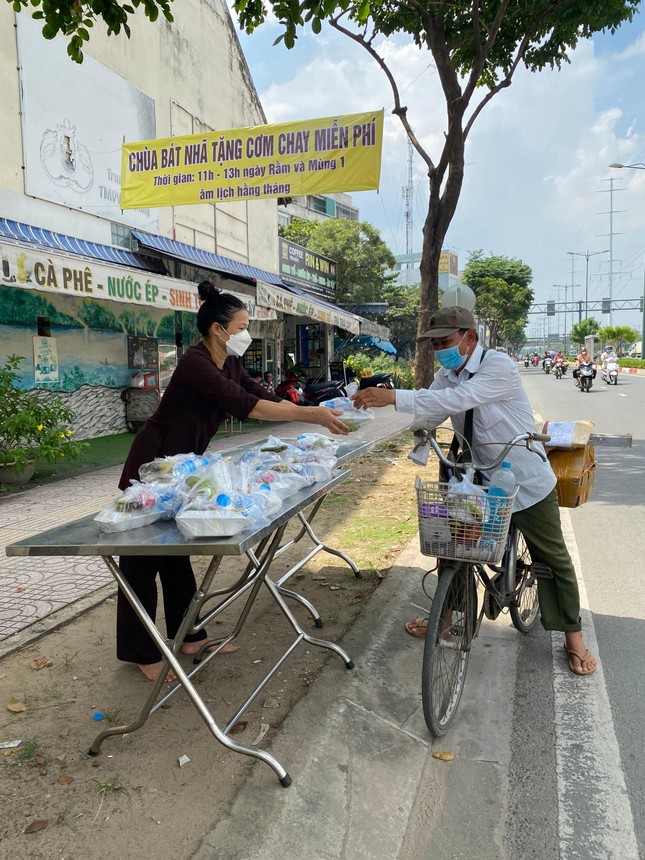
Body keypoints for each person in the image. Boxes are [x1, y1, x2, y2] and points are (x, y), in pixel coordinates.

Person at [117, 280, 349, 682]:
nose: (246, 333)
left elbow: (261, 393)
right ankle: (141, 652)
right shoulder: (195, 363)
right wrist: (310, 418)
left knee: (175, 556)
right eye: (241, 326)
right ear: (217, 329)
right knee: (140, 561)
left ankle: (190, 636)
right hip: (153, 466)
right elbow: (247, 406)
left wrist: (317, 406)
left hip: (185, 467)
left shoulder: (230, 361)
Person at [352, 306, 597, 676]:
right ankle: (449, 615)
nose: (440, 349)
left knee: (553, 558)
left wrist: (395, 396)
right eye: (434, 343)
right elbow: (430, 412)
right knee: (454, 550)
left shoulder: (497, 366)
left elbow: (458, 401)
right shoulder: (445, 375)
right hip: (477, 480)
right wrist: (364, 423)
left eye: (446, 341)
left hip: (525, 478)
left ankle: (573, 635)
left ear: (471, 337)